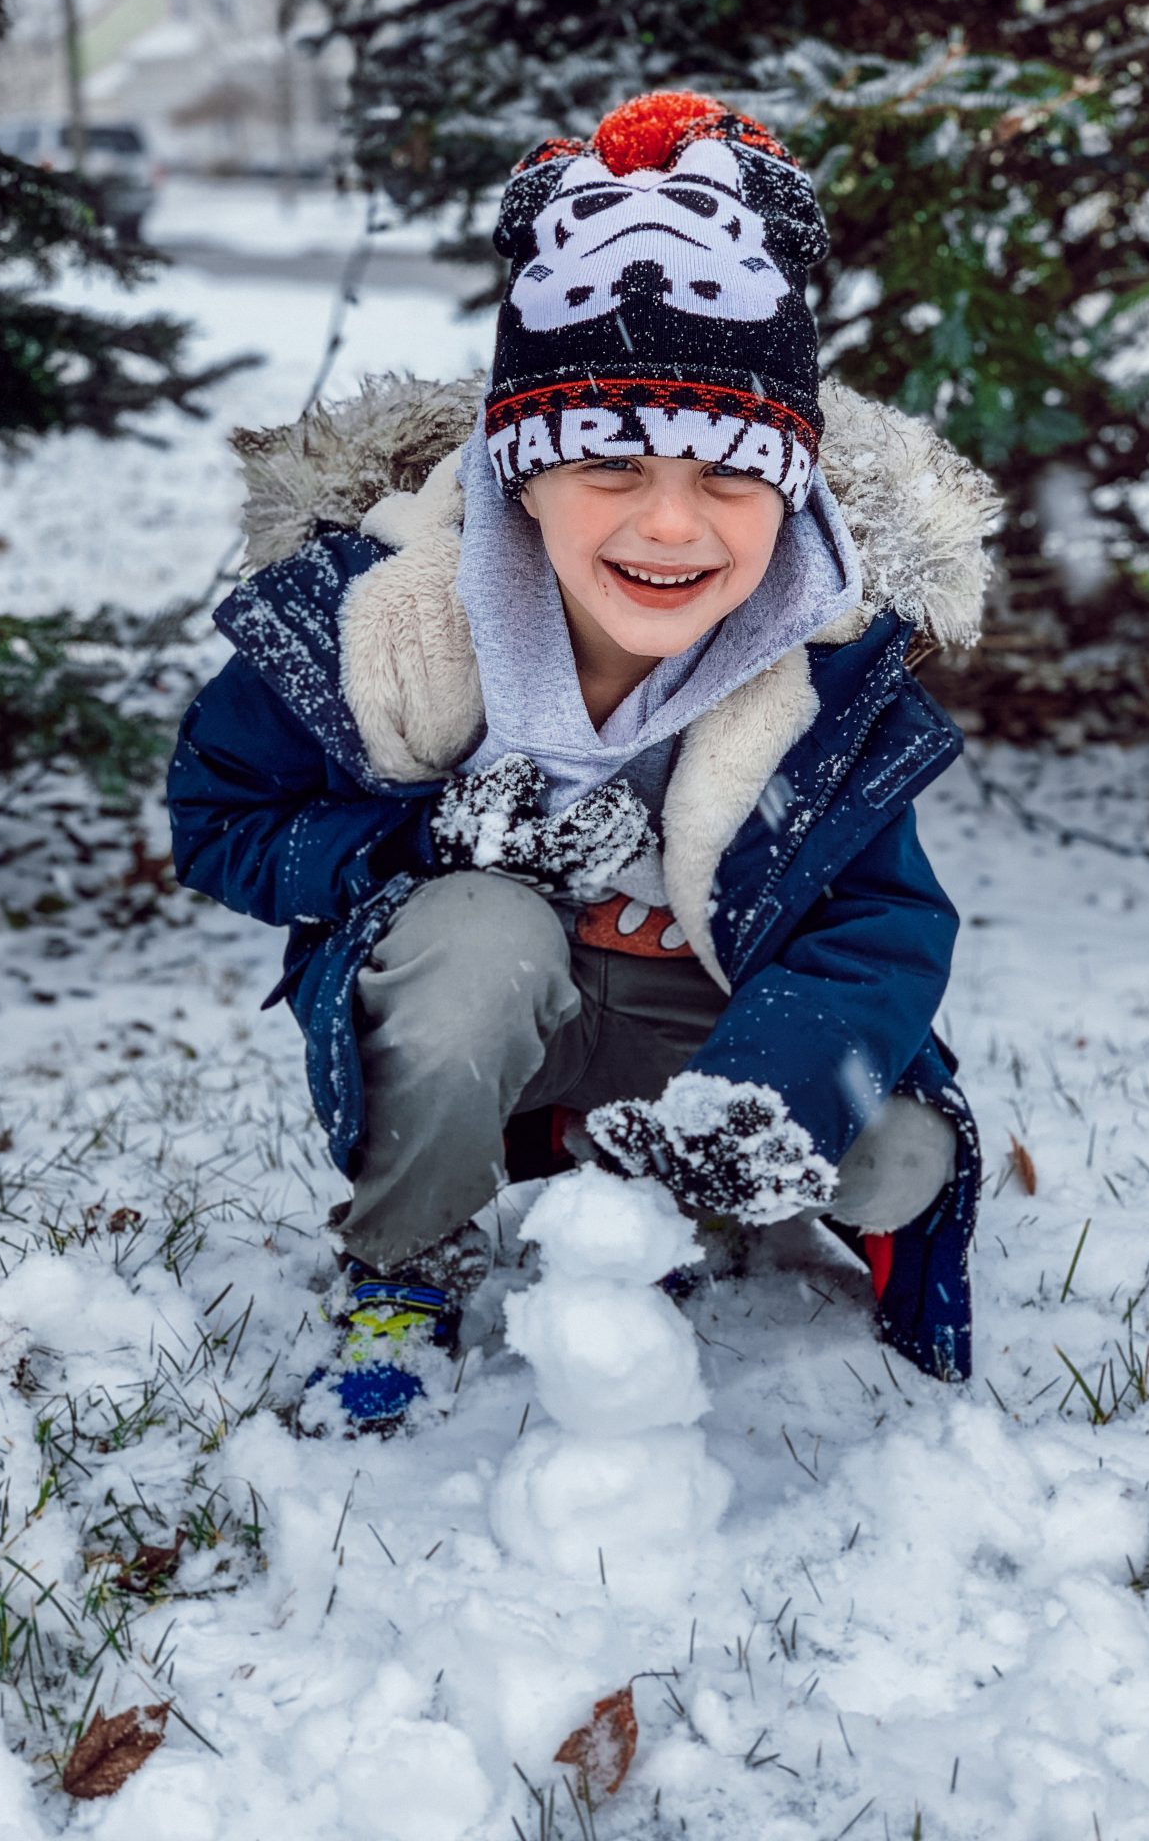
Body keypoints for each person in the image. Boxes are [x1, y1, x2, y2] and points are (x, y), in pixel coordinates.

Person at [166, 90, 998, 1435]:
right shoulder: (389, 628)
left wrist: (766, 1091)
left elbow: (880, 929)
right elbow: (222, 821)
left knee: (897, 1151)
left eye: (727, 478)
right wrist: (420, 845)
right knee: (478, 937)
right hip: (489, 1006)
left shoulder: (821, 667)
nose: (670, 526)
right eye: (611, 466)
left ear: (788, 492)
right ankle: (406, 1262)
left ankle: (689, 1179)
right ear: (522, 475)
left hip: (702, 1018)